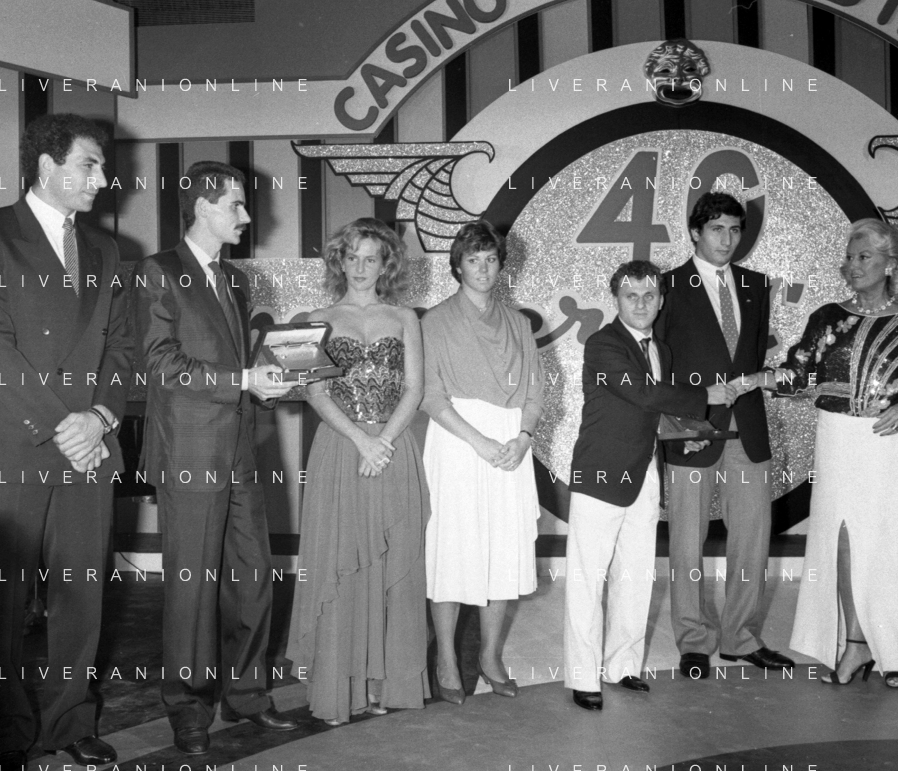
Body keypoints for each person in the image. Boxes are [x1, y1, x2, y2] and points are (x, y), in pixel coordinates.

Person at [0, 113, 132, 771]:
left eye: (102, 166)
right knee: (3, 603)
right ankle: (1, 734)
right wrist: (67, 427)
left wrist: (101, 418)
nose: (102, 179)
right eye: (89, 164)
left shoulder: (108, 250)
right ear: (47, 165)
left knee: (82, 595)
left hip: (90, 446)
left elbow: (122, 349)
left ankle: (70, 722)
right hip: (16, 442)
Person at [134, 160, 298, 756]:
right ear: (202, 207)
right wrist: (244, 379)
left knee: (253, 579)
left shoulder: (231, 279)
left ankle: (247, 694)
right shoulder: (158, 271)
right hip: (189, 452)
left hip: (239, 454)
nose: (247, 216)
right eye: (236, 204)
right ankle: (187, 705)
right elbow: (162, 365)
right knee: (192, 590)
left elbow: (236, 369)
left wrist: (265, 381)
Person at [776, 219, 898, 688]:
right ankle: (855, 645)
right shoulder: (826, 318)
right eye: (849, 257)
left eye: (864, 257)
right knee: (840, 540)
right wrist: (754, 380)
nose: (852, 266)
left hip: (885, 442)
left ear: (891, 264)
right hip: (836, 437)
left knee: (885, 543)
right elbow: (797, 375)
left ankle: (890, 651)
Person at [564, 261, 735, 711]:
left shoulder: (661, 348)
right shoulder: (603, 344)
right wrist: (705, 397)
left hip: (645, 472)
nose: (640, 304)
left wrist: (687, 433)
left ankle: (622, 666)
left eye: (649, 295)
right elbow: (641, 393)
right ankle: (583, 676)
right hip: (600, 472)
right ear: (616, 300)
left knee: (636, 574)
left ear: (661, 300)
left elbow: (655, 413)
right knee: (587, 579)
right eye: (630, 296)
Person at [286, 218, 429, 725]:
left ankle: (384, 684)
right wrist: (362, 441)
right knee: (340, 562)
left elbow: (414, 388)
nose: (362, 267)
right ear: (339, 261)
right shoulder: (312, 318)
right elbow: (313, 392)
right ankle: (338, 690)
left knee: (394, 560)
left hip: (394, 449)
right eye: (353, 257)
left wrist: (382, 441)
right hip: (340, 450)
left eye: (372, 258)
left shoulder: (406, 316)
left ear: (386, 263)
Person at [654, 191, 794, 680]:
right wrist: (678, 423)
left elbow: (751, 360)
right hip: (692, 429)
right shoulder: (668, 285)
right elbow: (658, 363)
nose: (727, 239)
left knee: (752, 540)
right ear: (695, 232)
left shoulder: (756, 285)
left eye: (735, 230)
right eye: (717, 229)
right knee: (686, 543)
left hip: (748, 428)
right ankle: (693, 641)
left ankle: (741, 638)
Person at [421, 219, 543, 704]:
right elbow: (430, 396)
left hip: (510, 446)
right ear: (457, 267)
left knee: (503, 550)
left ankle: (491, 655)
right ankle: (447, 659)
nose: (483, 268)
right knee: (453, 550)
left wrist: (523, 438)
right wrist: (479, 441)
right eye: (473, 260)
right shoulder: (434, 322)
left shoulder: (518, 323)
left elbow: (535, 391)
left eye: (491, 259)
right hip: (458, 444)